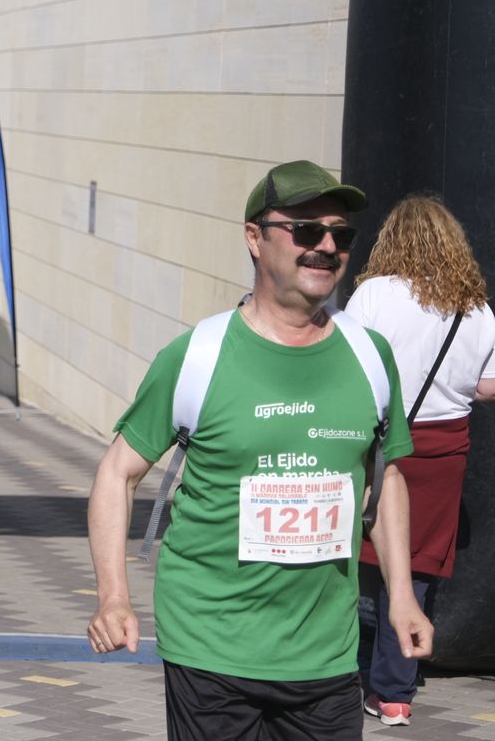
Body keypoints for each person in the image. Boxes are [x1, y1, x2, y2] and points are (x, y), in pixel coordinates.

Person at [86, 160, 432, 740]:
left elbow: (385, 480)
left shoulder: (371, 355)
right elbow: (117, 473)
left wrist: (401, 596)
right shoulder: (198, 354)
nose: (326, 246)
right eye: (305, 231)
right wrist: (114, 597)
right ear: (254, 237)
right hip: (211, 648)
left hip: (326, 655)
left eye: (340, 235)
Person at [345, 193, 495, 727]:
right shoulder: (476, 307)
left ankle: (348, 675)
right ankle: (395, 693)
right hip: (445, 448)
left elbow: (349, 362)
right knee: (419, 566)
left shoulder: (374, 293)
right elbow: (488, 385)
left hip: (380, 439)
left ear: (394, 239)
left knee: (362, 557)